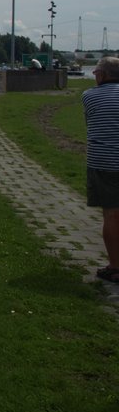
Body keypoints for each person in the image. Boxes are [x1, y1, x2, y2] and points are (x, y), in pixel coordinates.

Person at [83, 56, 119, 283]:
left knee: (112, 214)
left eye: (96, 73)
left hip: (104, 162)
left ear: (103, 75)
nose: (95, 76)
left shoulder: (89, 96)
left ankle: (115, 267)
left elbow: (91, 124)